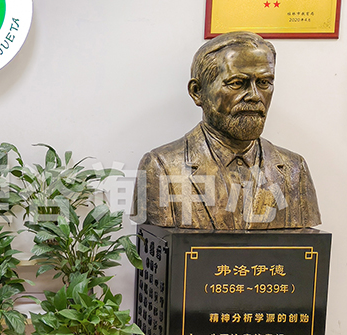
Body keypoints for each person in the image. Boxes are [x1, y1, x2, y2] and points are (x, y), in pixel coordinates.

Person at [134, 31, 320, 230]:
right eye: (237, 83)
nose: (254, 95)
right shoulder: (160, 167)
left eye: (264, 83)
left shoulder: (294, 169)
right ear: (197, 92)